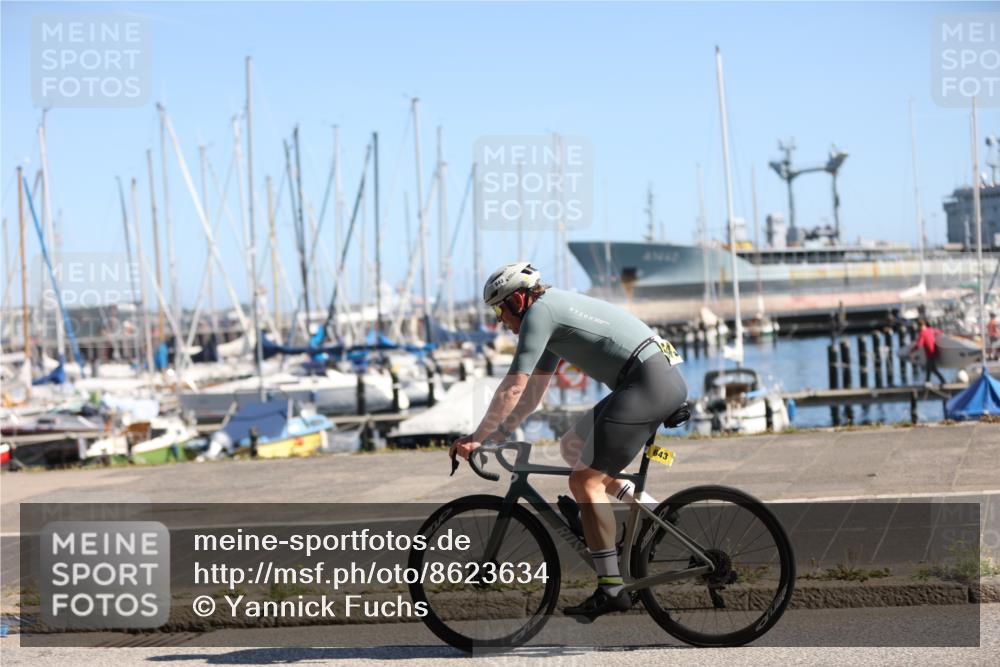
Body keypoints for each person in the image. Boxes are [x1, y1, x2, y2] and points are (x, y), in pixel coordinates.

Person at [449, 262, 688, 620]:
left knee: (584, 480)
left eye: (500, 309)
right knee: (573, 445)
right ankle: (652, 513)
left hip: (647, 382)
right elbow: (532, 395)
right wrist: (498, 435)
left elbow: (514, 386)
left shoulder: (540, 314)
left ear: (517, 300)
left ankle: (611, 588)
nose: (500, 320)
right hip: (648, 379)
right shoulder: (549, 313)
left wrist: (476, 438)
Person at [911, 319, 946, 384]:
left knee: (929, 368)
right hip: (934, 352)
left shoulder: (922, 333)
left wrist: (912, 350)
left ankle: (930, 382)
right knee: (931, 368)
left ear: (920, 326)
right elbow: (941, 332)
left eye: (918, 327)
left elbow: (919, 345)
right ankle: (933, 381)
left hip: (930, 354)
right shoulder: (931, 330)